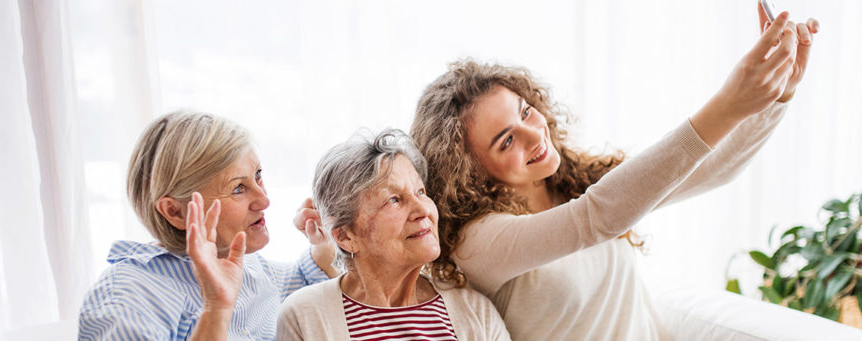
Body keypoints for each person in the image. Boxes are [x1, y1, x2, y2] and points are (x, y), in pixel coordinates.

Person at [405, 8, 821, 341]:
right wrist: (728, 103)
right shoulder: (480, 242)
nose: (534, 134)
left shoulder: (576, 181)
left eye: (526, 111)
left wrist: (778, 94)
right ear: (470, 173)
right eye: (506, 141)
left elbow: (712, 169)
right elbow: (595, 219)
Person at [78, 111, 338, 340]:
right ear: (174, 212)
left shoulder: (245, 262)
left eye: (258, 175)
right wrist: (217, 309)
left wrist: (323, 250)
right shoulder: (127, 298)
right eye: (238, 188)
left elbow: (299, 284)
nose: (264, 200)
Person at [277, 129, 509, 340]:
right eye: (394, 200)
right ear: (346, 237)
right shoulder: (305, 315)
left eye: (420, 191)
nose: (423, 210)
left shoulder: (476, 312)